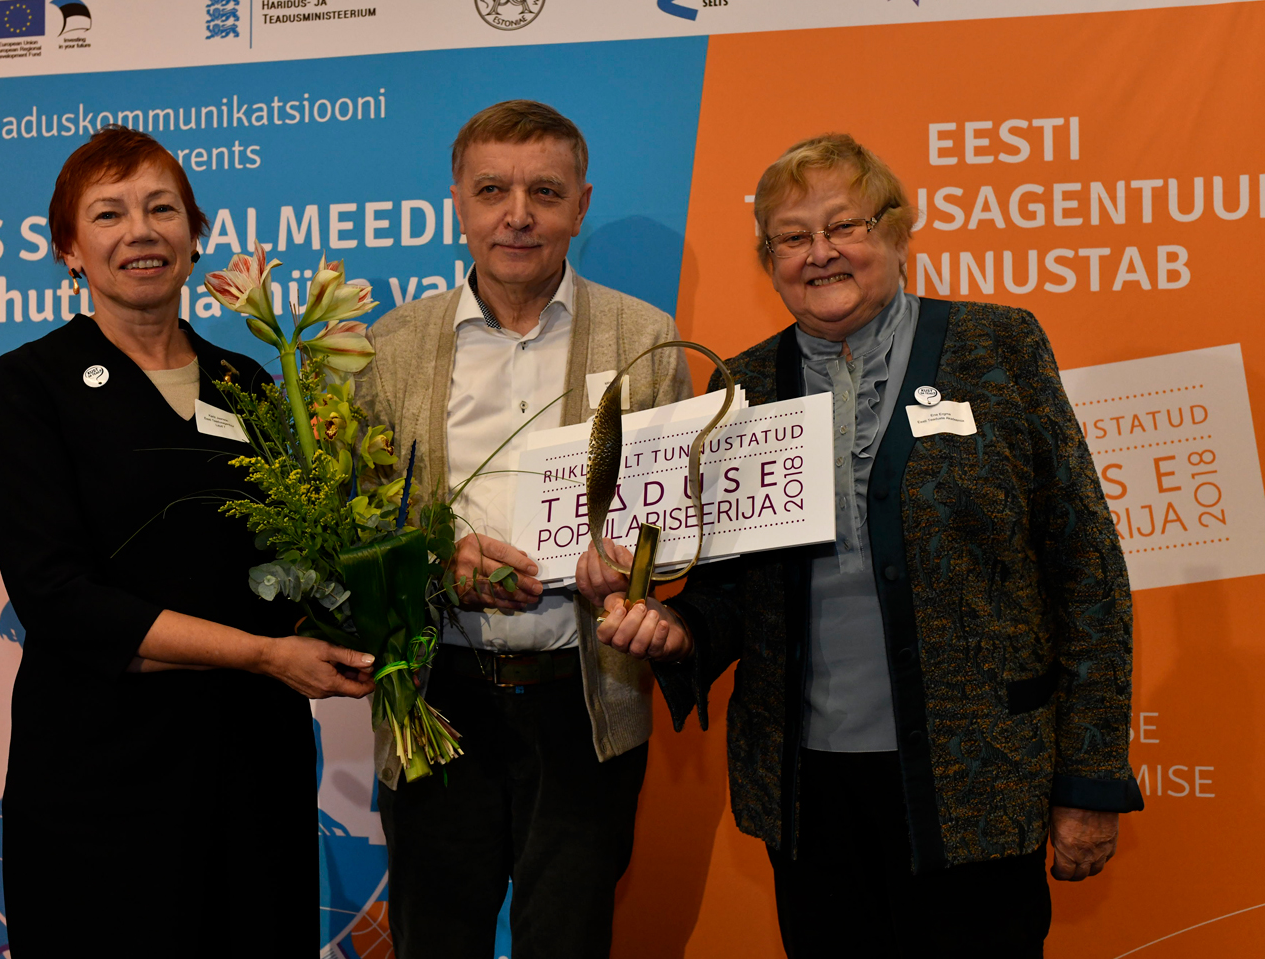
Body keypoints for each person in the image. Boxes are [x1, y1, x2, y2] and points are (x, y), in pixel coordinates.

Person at [577, 133, 1143, 958]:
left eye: (844, 225)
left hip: (978, 779)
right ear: (769, 260)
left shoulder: (1000, 348)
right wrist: (681, 628)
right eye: (792, 236)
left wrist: (1089, 779)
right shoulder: (740, 387)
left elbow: (1086, 572)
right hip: (809, 792)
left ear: (897, 231)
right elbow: (731, 588)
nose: (821, 253)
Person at [0, 125, 374, 954]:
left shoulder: (249, 381)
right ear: (69, 250)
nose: (141, 231)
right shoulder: (30, 384)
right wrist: (263, 654)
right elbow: (58, 599)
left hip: (250, 765)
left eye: (163, 209)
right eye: (109, 213)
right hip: (102, 772)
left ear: (197, 237)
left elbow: (291, 562)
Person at [357, 99, 692, 959]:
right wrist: (437, 563)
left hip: (584, 698)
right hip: (438, 695)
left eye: (544, 191)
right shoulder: (390, 347)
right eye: (492, 190)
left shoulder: (646, 337)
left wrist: (631, 572)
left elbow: (673, 526)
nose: (518, 215)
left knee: (569, 940)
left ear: (581, 205)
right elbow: (358, 530)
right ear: (458, 206)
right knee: (435, 941)